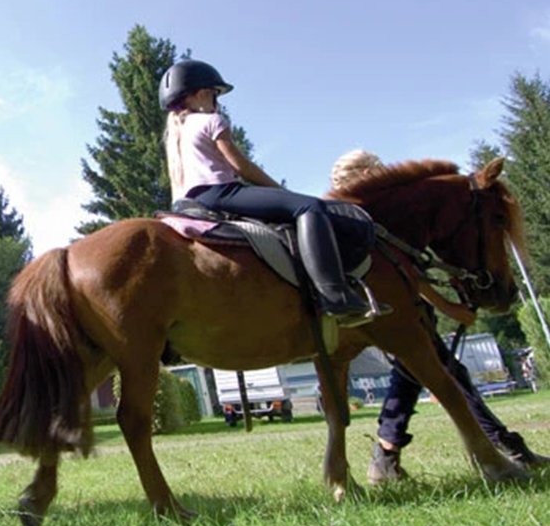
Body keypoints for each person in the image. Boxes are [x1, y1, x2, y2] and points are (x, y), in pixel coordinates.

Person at [328, 149, 550, 482]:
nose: (380, 174)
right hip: (386, 311)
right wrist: (448, 307)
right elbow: (393, 277)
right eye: (373, 171)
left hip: (400, 308)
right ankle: (500, 448)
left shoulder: (384, 213)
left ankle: (387, 457)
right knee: (443, 372)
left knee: (426, 370)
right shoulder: (357, 220)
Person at [159, 59, 374, 327]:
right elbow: (240, 165)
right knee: (309, 207)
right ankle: (334, 294)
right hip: (221, 192)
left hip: (188, 202)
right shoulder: (211, 120)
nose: (217, 101)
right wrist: (280, 191)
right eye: (215, 94)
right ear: (202, 93)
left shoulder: (175, 133)